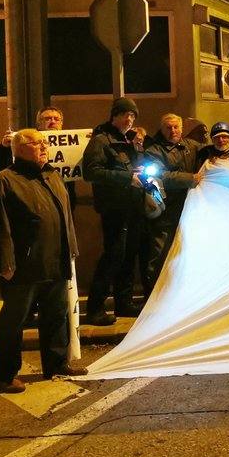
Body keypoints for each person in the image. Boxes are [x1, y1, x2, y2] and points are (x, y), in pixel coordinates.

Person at [0, 129, 85, 391]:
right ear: (18, 148)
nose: (44, 146)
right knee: (13, 321)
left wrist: (71, 248)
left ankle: (56, 363)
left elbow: (64, 218)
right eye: (37, 142)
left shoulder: (52, 176)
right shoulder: (5, 180)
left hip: (55, 260)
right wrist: (4, 264)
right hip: (23, 266)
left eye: (45, 142)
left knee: (57, 314)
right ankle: (6, 374)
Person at [82, 97, 144, 326]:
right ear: (114, 115)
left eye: (132, 115)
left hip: (132, 205)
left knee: (128, 255)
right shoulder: (101, 140)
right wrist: (128, 177)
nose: (129, 119)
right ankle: (96, 307)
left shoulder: (127, 140)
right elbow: (91, 171)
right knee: (113, 255)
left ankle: (123, 301)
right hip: (114, 208)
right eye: (124, 114)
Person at [141, 113, 201, 297]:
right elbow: (160, 175)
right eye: (168, 127)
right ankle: (155, 296)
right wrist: (189, 178)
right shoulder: (153, 150)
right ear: (162, 129)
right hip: (165, 210)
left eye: (176, 127)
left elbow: (213, 156)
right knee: (160, 254)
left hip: (189, 209)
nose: (172, 131)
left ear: (182, 128)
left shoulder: (192, 147)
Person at [0, 106, 66, 175]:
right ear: (39, 124)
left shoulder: (73, 143)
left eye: (56, 119)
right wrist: (4, 148)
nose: (52, 122)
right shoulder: (24, 142)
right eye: (47, 119)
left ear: (61, 123)